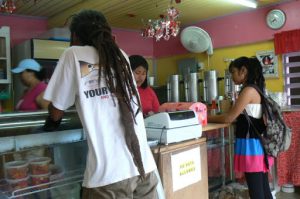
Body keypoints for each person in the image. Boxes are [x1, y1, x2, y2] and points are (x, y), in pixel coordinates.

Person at [43, 10, 158, 199]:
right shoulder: (121, 56)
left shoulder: (73, 54)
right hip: (144, 169)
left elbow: (56, 112)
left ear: (75, 36)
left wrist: (50, 122)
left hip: (109, 178)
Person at [208, 56, 273, 199]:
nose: (231, 76)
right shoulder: (257, 88)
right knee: (263, 188)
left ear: (243, 71)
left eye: (233, 72)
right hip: (258, 144)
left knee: (256, 191)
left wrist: (205, 118)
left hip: (253, 147)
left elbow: (229, 117)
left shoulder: (248, 91)